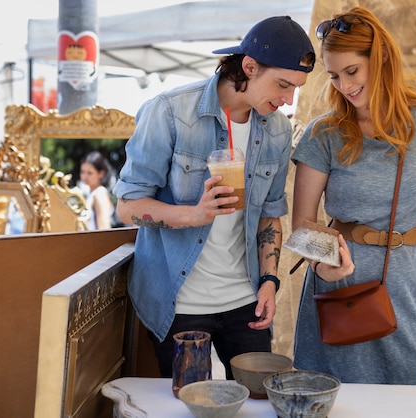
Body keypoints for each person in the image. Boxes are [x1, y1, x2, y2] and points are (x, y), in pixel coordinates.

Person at [290, 6, 416, 385]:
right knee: (335, 398)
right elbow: (302, 227)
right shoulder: (324, 134)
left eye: (352, 71)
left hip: (408, 285)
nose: (345, 86)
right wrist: (322, 266)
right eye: (333, 76)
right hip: (340, 290)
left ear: (381, 57)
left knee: (407, 397)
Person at [113, 16, 315, 379]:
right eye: (283, 85)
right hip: (178, 304)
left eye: (296, 89)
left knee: (259, 402)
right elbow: (127, 206)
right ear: (249, 67)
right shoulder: (170, 112)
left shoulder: (278, 131)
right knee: (190, 404)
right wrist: (193, 214)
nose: (288, 101)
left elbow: (270, 214)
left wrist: (270, 281)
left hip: (246, 301)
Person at [80, 150, 114, 230]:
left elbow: (103, 230)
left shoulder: (100, 195)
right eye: (82, 172)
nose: (85, 176)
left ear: (101, 173)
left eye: (90, 173)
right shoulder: (90, 194)